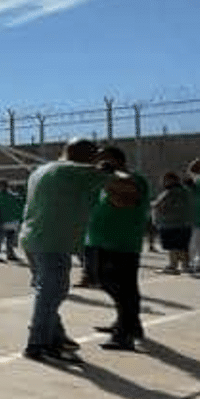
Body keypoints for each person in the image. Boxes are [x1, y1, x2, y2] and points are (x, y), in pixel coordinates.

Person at [20, 139, 139, 364]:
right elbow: (127, 186)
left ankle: (55, 337)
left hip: (33, 239)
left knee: (47, 291)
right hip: (52, 241)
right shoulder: (76, 170)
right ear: (89, 156)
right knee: (51, 292)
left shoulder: (44, 169)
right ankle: (38, 344)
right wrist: (110, 169)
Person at [84, 147, 149, 351]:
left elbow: (126, 200)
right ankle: (131, 325)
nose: (98, 164)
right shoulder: (106, 182)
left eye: (103, 160)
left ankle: (125, 333)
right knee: (118, 286)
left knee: (121, 288)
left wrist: (107, 175)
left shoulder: (133, 179)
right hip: (101, 242)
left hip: (121, 243)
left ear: (116, 161)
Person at [152, 172, 193, 274]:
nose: (162, 182)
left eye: (165, 180)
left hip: (171, 223)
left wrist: (154, 205)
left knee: (174, 246)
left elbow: (161, 205)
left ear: (172, 180)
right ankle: (185, 265)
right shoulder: (185, 191)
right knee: (182, 246)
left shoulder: (172, 192)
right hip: (183, 223)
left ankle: (173, 266)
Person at [0, 179, 24, 262]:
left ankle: (9, 253)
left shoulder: (12, 195)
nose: (2, 186)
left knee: (10, 239)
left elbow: (19, 206)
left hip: (11, 220)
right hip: (2, 220)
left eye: (3, 185)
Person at [188, 158, 200, 274]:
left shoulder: (199, 180)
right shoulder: (199, 180)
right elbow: (192, 171)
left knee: (197, 244)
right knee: (197, 244)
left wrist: (198, 161)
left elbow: (191, 170)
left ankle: (198, 264)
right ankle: (198, 264)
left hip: (199, 218)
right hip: (198, 218)